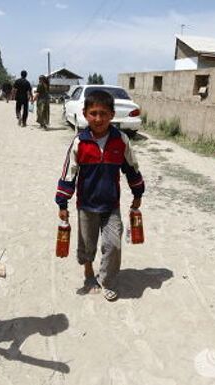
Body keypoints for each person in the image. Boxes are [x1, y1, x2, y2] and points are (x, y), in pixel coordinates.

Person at [55, 90, 145, 301]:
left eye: (103, 113)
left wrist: (137, 192)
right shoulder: (80, 142)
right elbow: (69, 172)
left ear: (112, 115)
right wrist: (62, 203)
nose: (98, 118)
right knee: (87, 245)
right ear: (85, 114)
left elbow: (132, 167)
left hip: (111, 204)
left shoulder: (120, 140)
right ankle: (88, 272)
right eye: (93, 113)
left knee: (113, 244)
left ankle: (107, 280)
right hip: (86, 205)